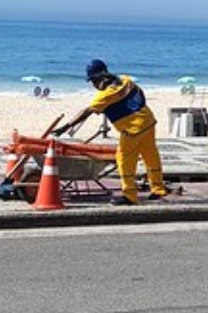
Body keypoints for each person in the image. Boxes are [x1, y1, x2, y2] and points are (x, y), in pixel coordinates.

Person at [52, 59, 167, 206]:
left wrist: (65, 127)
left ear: (99, 78)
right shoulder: (126, 80)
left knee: (123, 159)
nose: (94, 86)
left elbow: (86, 112)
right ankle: (158, 189)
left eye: (93, 82)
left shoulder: (105, 95)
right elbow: (141, 94)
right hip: (149, 121)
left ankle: (130, 196)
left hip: (133, 130)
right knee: (150, 155)